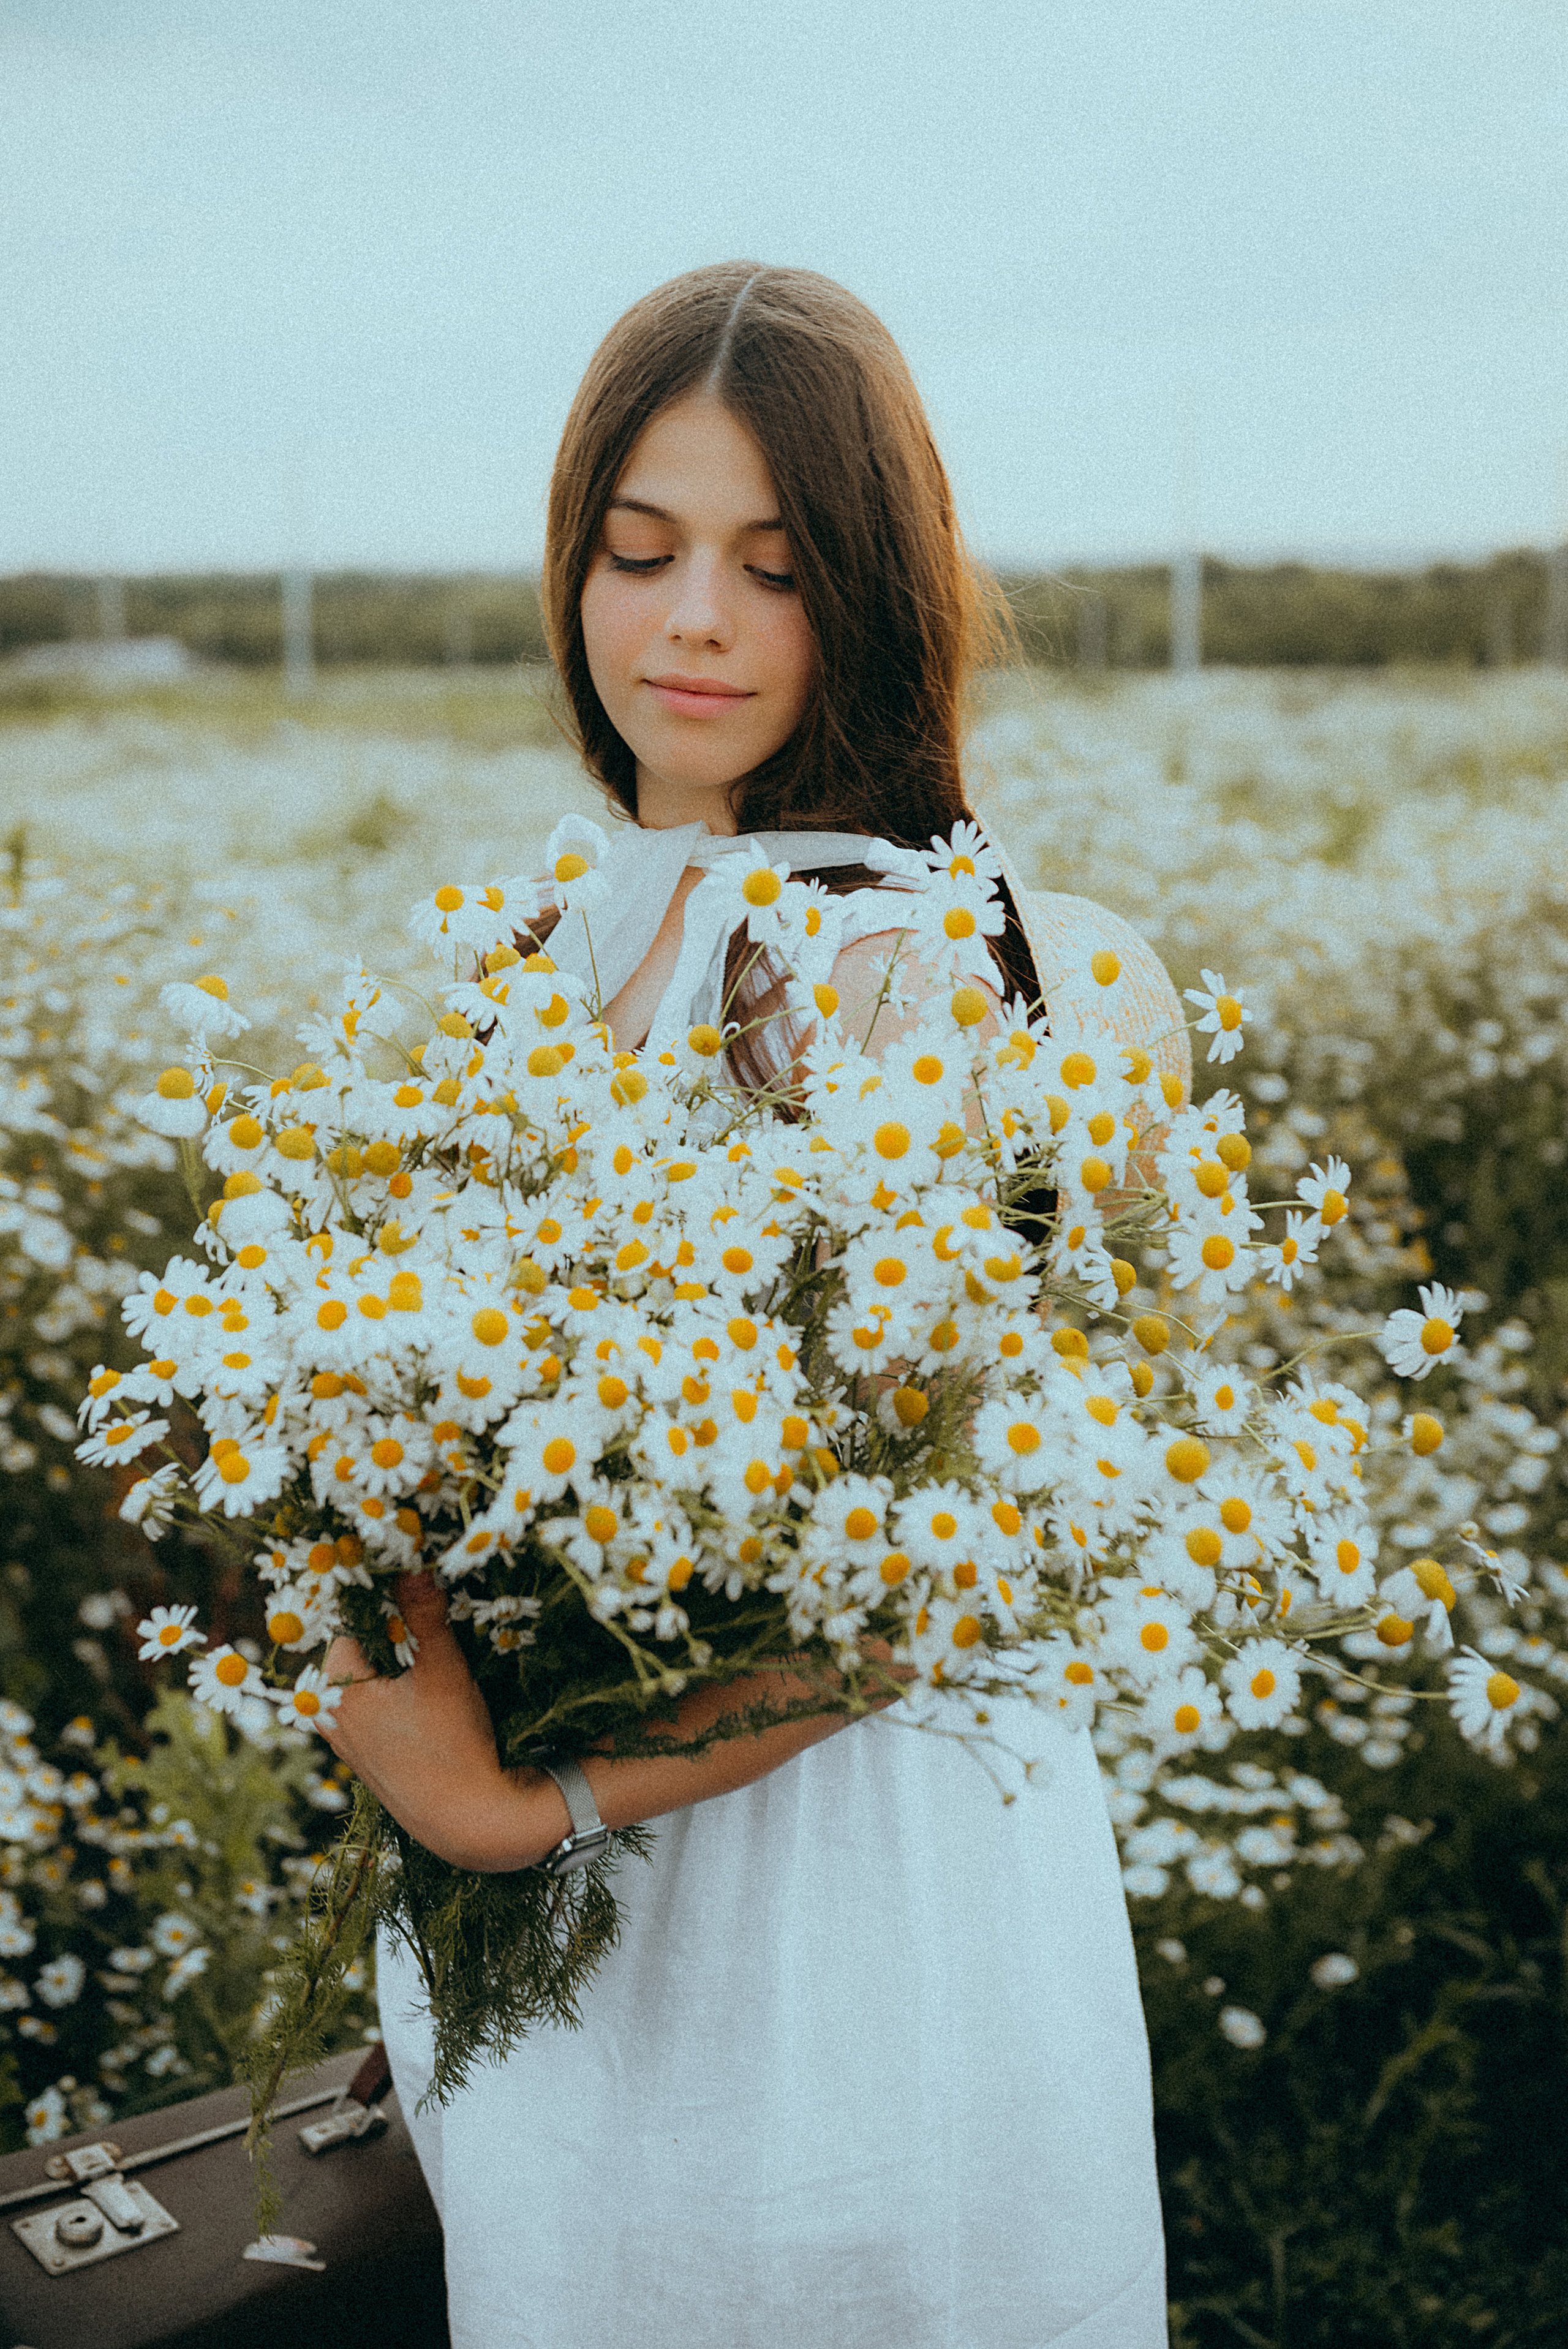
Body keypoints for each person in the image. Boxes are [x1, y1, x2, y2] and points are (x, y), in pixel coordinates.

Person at [325, 262, 1178, 2349]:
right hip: (557, 1948)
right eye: (639, 549)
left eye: (773, 568)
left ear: (876, 594)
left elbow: (944, 1575)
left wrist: (524, 1806)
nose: (689, 618)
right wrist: (405, 1739)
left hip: (849, 1925)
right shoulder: (519, 953)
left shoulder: (977, 979)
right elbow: (376, 1439)